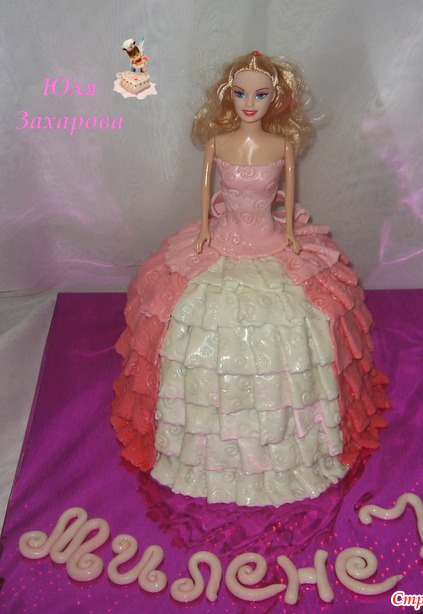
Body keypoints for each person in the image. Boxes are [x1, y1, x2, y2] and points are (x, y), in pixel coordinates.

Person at [112, 51, 390, 507]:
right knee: (189, 318)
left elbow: (289, 198)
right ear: (228, 95)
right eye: (240, 93)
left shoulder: (281, 147)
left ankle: (296, 442)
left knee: (297, 323)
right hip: (221, 238)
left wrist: (291, 237)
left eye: (260, 94)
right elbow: (206, 192)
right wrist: (204, 230)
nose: (249, 102)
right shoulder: (218, 142)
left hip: (270, 238)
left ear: (274, 99)